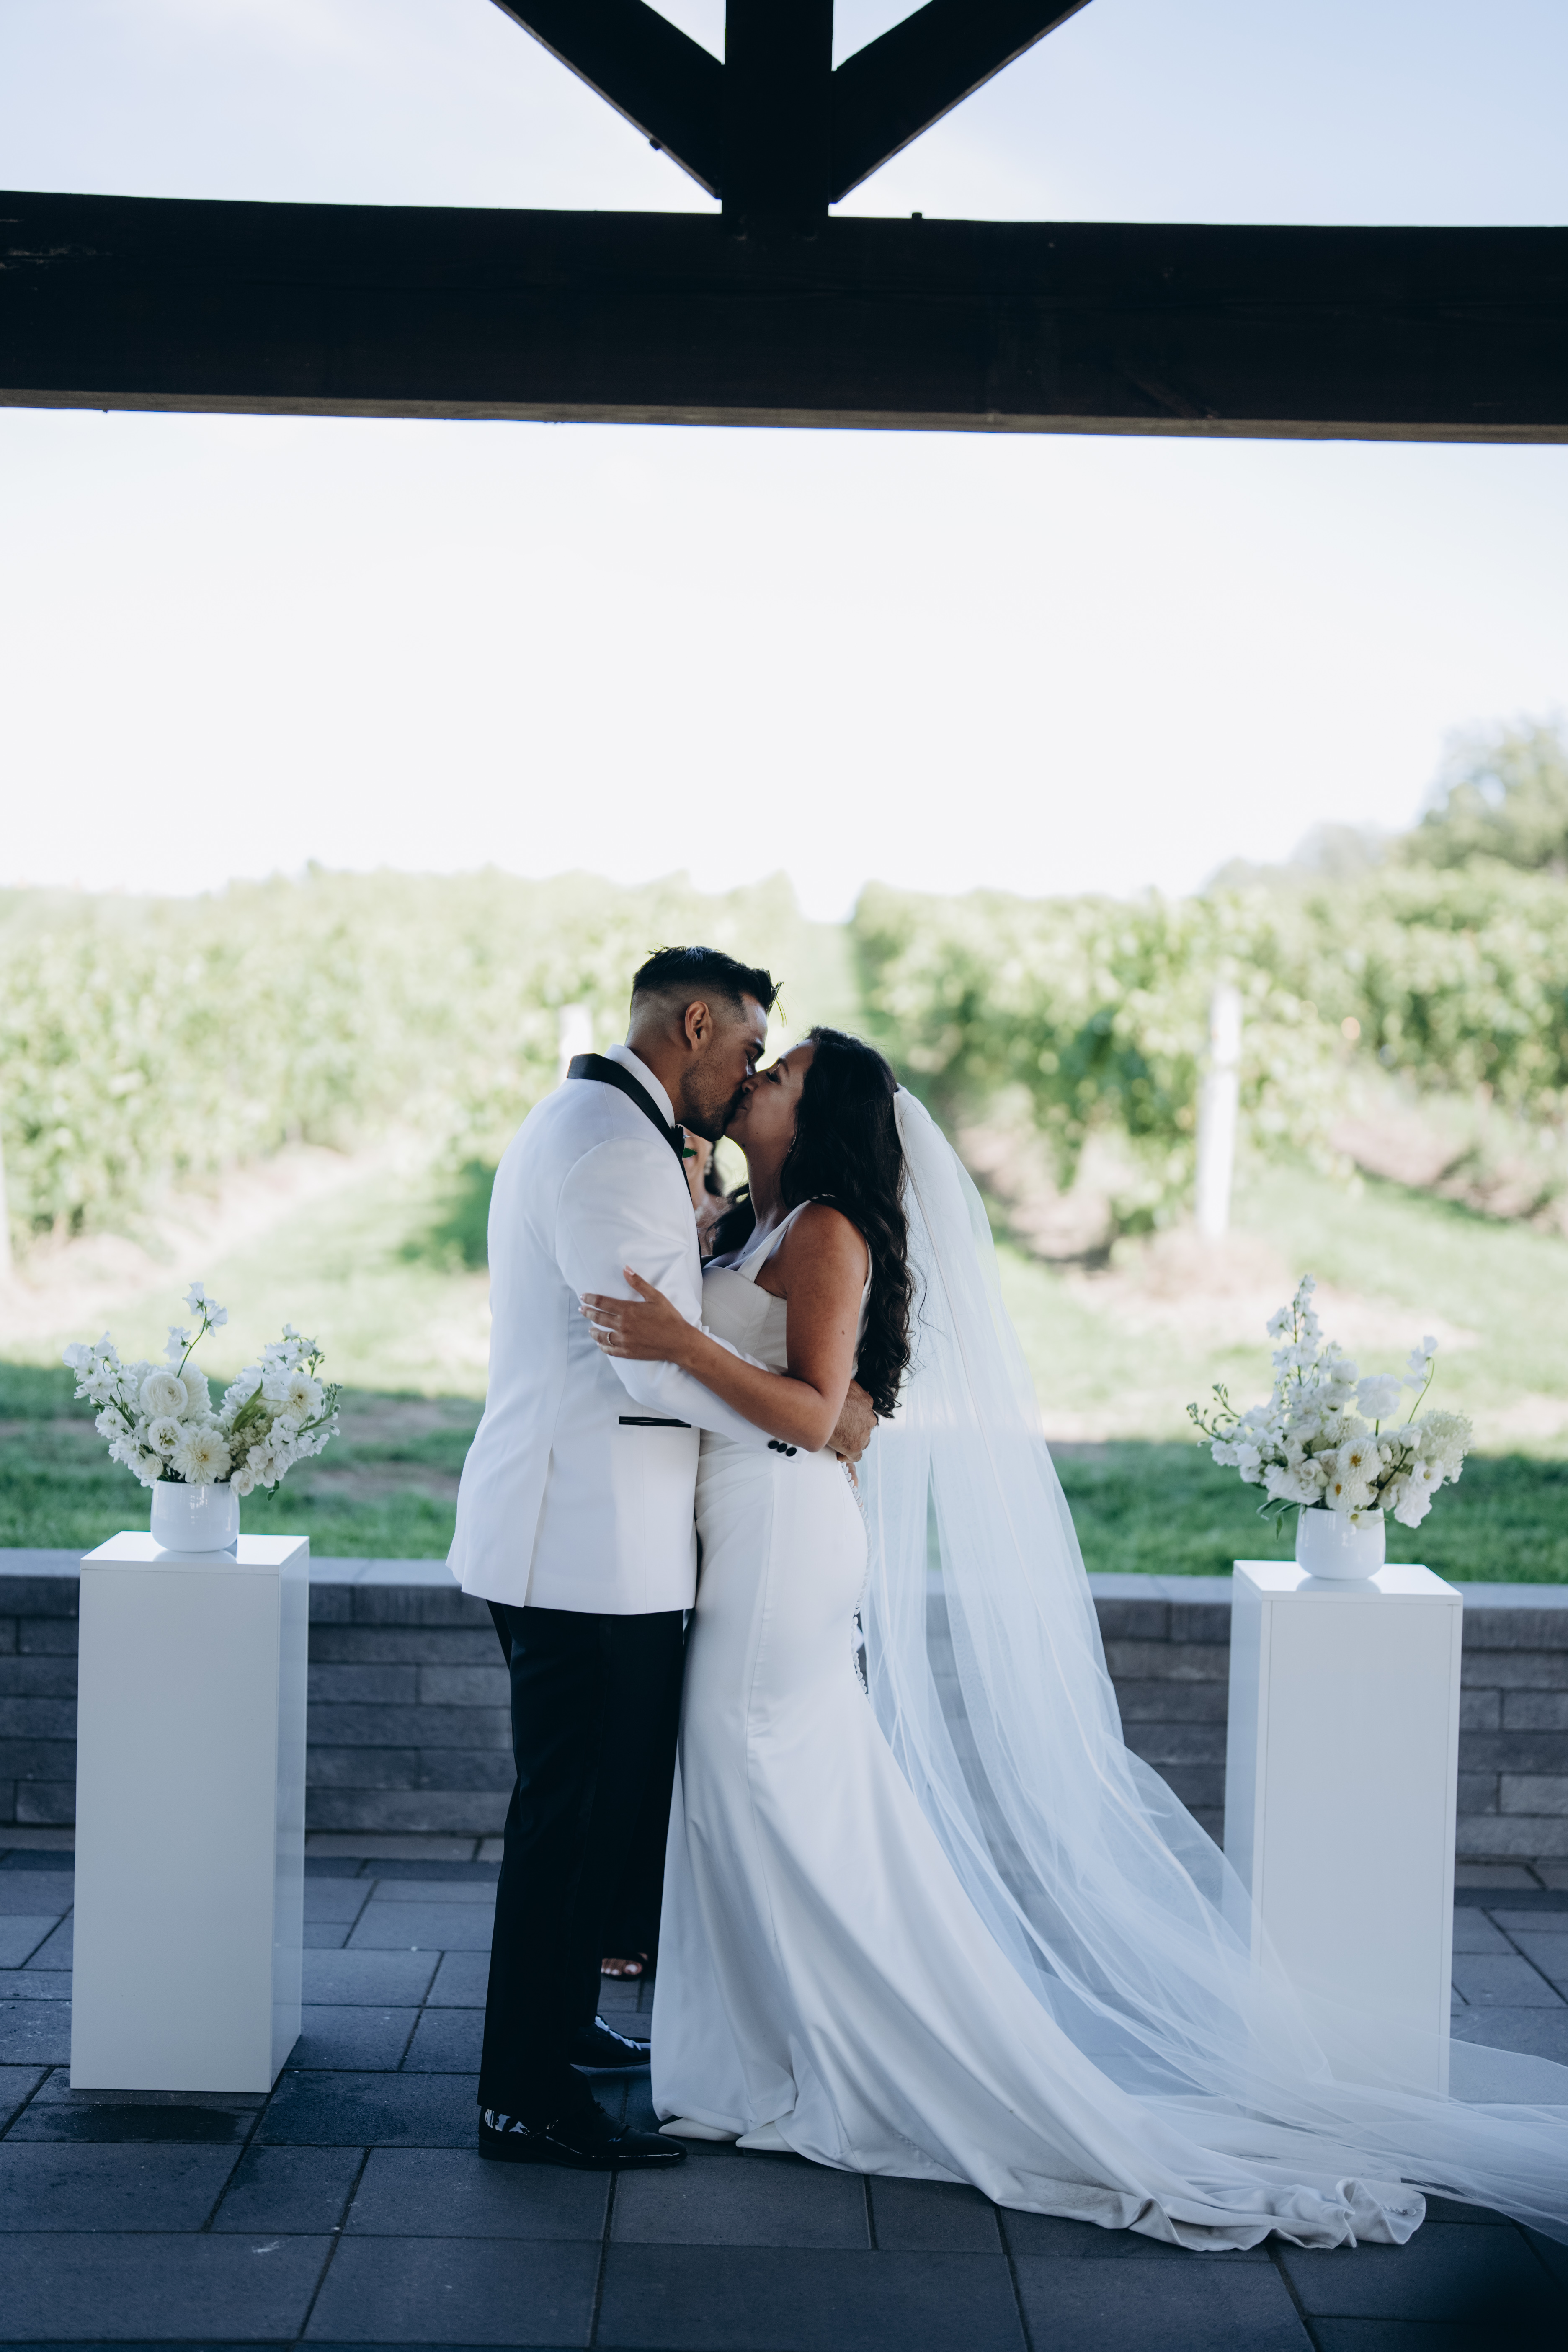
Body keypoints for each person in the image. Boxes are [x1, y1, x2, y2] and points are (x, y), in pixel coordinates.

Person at [583, 1029, 1568, 2250]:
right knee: (763, 1797)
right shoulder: (751, 1223)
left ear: (819, 1116)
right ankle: (768, 2054)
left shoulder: (827, 1230)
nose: (755, 1078)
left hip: (783, 1538)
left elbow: (822, 1413)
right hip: (743, 1534)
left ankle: (825, 2060)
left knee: (759, 1781)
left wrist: (683, 1343)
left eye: (777, 1075)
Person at [447, 951, 877, 2171]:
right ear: (694, 1025)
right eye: (747, 1051)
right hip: (584, 1542)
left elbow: (670, 1331)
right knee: (570, 1821)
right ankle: (524, 2096)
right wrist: (810, 1427)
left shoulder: (601, 1127)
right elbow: (645, 1362)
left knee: (593, 1816)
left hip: (598, 1532)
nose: (747, 1076)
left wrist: (803, 1410)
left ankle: (558, 2027)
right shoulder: (613, 1147)